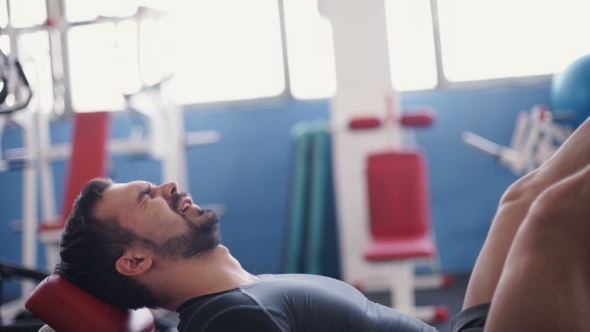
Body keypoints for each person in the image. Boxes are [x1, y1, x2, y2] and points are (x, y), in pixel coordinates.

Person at [56, 118, 590, 332]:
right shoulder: (224, 320)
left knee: (521, 197)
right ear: (134, 261)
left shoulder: (236, 291)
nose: (167, 186)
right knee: (553, 217)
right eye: (146, 197)